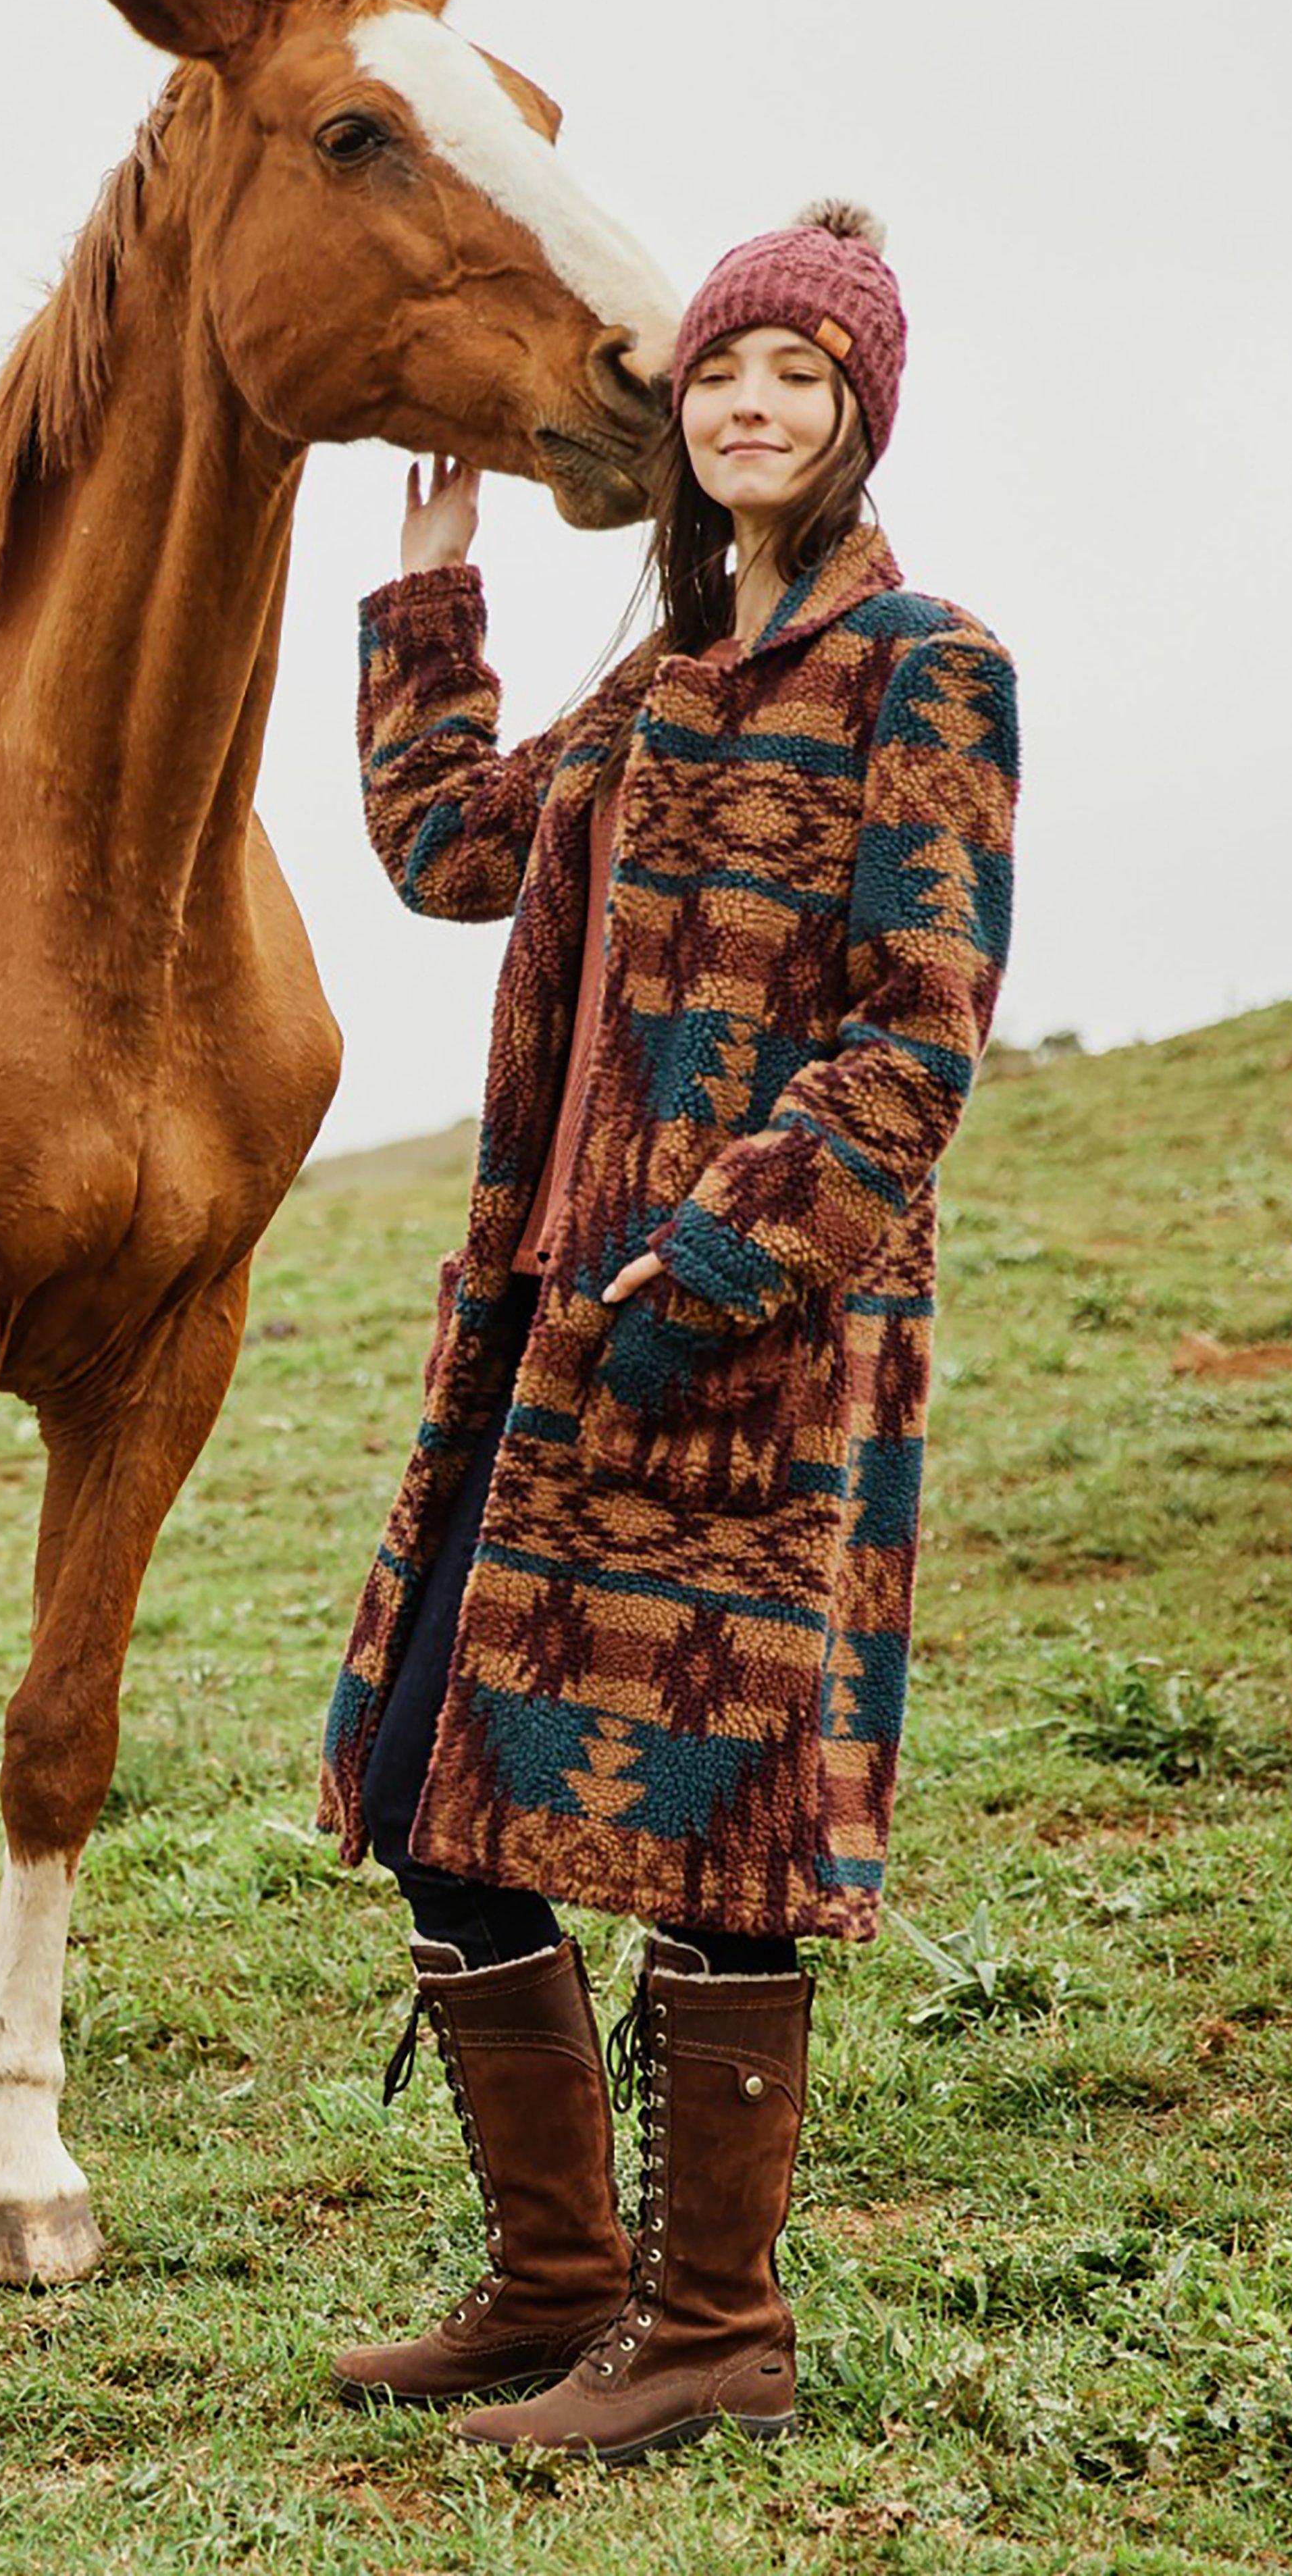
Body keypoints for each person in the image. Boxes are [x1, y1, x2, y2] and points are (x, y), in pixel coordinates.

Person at [316, 204, 1020, 2461]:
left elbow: (919, 1040)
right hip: (551, 1339)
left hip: (761, 1354)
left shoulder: (925, 664)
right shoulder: (657, 685)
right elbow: (448, 852)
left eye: (802, 379)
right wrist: (437, 604)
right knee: (451, 1792)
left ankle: (716, 2325)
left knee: (721, 1844)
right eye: (729, 370)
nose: (752, 406)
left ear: (859, 414)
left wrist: (715, 1265)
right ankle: (558, 2287)